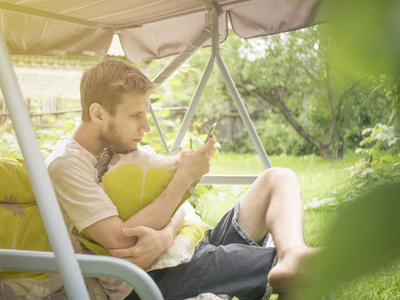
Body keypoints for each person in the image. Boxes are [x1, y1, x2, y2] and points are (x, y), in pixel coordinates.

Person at [46, 58, 317, 300]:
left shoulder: (120, 146)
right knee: (297, 273)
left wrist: (166, 234)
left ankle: (294, 251)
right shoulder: (67, 164)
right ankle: (298, 262)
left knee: (278, 177)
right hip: (150, 277)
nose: (146, 127)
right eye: (135, 115)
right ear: (98, 113)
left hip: (181, 248)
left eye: (146, 114)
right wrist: (184, 177)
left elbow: (184, 209)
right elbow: (122, 240)